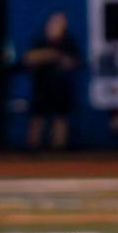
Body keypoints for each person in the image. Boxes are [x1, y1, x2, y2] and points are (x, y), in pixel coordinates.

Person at [22, 10, 82, 149]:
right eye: (53, 23)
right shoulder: (40, 41)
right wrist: (52, 55)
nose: (55, 26)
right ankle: (31, 153)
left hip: (61, 89)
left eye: (59, 23)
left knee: (60, 121)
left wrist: (52, 56)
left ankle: (58, 153)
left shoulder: (68, 42)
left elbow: (73, 62)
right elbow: (29, 58)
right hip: (42, 88)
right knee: (37, 120)